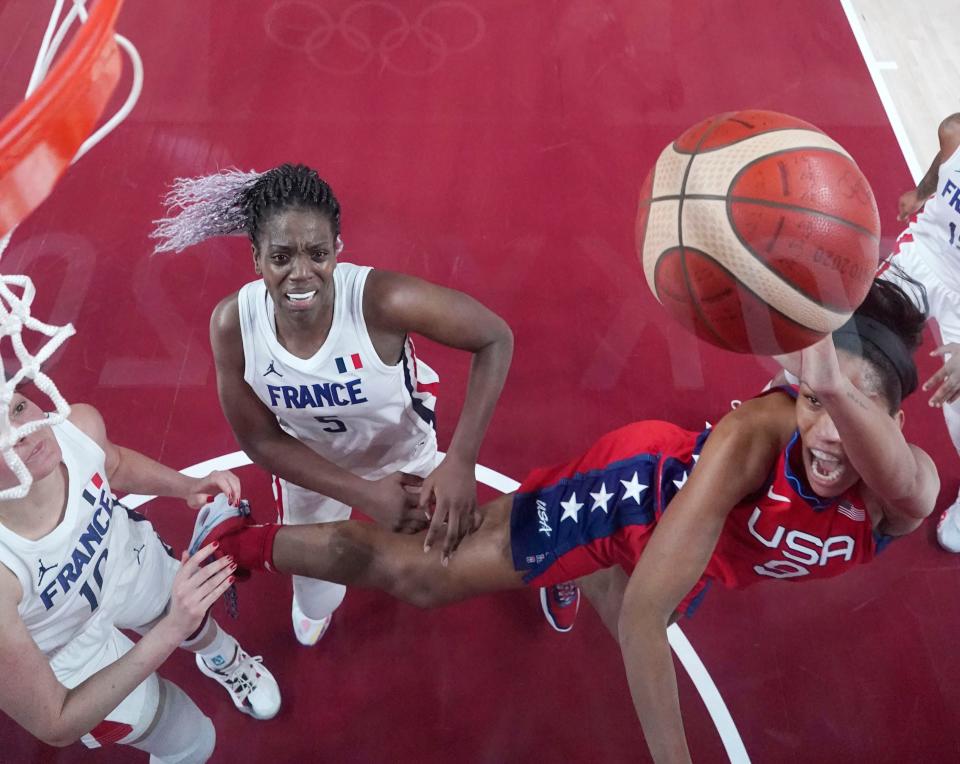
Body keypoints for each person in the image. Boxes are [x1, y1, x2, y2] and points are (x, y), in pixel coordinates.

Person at [188, 277, 938, 762]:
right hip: (629, 494)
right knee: (422, 575)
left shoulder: (902, 495)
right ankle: (241, 540)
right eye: (814, 400)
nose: (829, 431)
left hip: (699, 543)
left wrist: (833, 382)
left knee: (628, 596)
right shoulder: (754, 440)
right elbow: (646, 620)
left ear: (895, 418)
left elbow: (906, 482)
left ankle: (577, 571)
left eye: (853, 406)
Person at [152, 163, 513, 645]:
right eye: (281, 257)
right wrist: (362, 494)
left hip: (404, 451)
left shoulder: (383, 301)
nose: (301, 274)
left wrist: (461, 460)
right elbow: (258, 438)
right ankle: (319, 603)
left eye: (318, 253)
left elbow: (494, 338)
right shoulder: (233, 325)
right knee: (317, 590)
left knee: (446, 546)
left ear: (338, 250)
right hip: (311, 466)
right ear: (256, 258)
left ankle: (551, 549)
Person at [0, 391, 281, 762]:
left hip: (125, 560)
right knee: (193, 742)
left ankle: (222, 659)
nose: (24, 430)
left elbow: (112, 465)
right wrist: (172, 630)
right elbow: (55, 722)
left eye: (18, 407)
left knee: (196, 624)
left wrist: (187, 486)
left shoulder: (76, 427)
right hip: (63, 646)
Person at [882, 112, 960, 550]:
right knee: (854, 344)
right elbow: (945, 153)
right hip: (925, 256)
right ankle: (786, 400)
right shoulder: (957, 132)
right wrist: (923, 191)